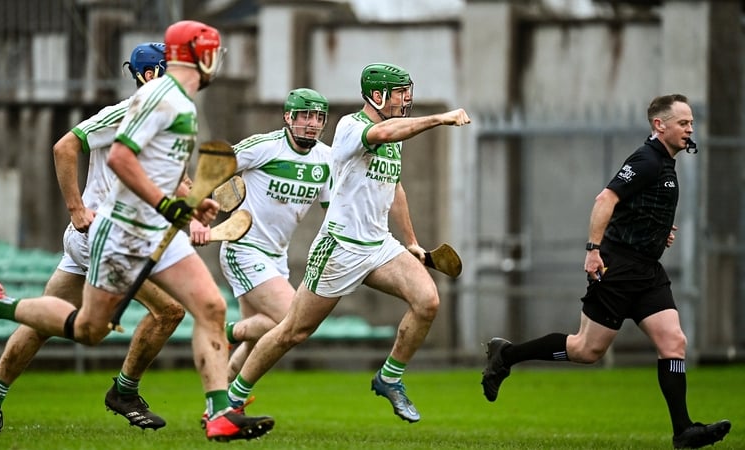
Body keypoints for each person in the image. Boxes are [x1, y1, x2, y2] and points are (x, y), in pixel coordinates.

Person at [0, 20, 274, 442]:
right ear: (190, 58)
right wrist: (83, 208)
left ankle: (219, 413)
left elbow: (158, 171)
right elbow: (119, 158)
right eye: (210, 51)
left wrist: (193, 206)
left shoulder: (183, 104)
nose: (216, 61)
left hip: (151, 230)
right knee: (91, 329)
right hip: (120, 233)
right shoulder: (155, 100)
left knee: (210, 308)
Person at [480, 94, 731, 449]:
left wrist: (658, 231)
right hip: (619, 268)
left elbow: (638, 207)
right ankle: (506, 355)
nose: (690, 129)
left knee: (673, 342)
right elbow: (606, 200)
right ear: (660, 125)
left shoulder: (665, 163)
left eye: (691, 123)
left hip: (647, 271)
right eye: (683, 123)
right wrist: (593, 250)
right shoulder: (646, 159)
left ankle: (684, 431)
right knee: (586, 350)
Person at [226, 62, 471, 424]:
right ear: (376, 95)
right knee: (293, 330)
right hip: (339, 247)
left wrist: (413, 242)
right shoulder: (351, 127)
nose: (407, 100)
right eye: (400, 93)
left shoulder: (394, 135)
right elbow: (384, 134)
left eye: (408, 92)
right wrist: (439, 119)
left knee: (427, 301)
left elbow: (395, 188)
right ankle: (232, 400)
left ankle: (389, 378)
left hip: (379, 245)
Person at [0, 42, 185, 434]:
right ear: (149, 76)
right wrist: (76, 208)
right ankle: (124, 392)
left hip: (106, 237)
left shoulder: (166, 125)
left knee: (45, 321)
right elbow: (65, 145)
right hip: (100, 235)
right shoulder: (127, 113)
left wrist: (197, 207)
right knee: (167, 312)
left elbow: (170, 186)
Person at [190, 88, 332, 382]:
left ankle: (223, 405)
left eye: (318, 117)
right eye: (305, 116)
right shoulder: (264, 147)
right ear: (287, 117)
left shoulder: (327, 159)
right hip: (243, 248)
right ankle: (223, 331)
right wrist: (196, 219)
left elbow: (334, 211)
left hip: (276, 257)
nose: (312, 123)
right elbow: (212, 169)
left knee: (257, 339)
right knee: (293, 320)